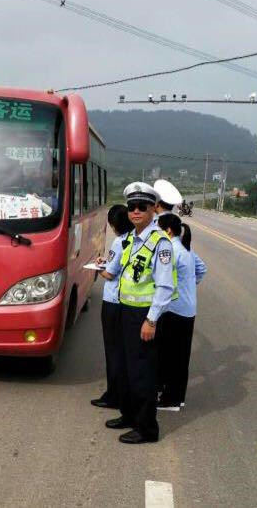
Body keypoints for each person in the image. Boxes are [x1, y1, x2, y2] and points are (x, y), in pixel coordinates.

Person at [104, 182, 177, 444]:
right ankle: (129, 414)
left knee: (142, 373)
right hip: (125, 310)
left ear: (153, 210)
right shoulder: (132, 239)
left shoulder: (161, 243)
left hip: (143, 315)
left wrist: (151, 320)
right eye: (131, 207)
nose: (135, 212)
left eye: (141, 207)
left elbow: (165, 286)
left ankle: (147, 428)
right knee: (124, 367)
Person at [156, 213, 207, 411]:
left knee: (171, 356)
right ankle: (177, 397)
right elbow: (202, 269)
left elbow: (161, 279)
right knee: (180, 355)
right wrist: (189, 287)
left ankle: (171, 400)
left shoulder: (170, 250)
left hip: (174, 310)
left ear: (168, 231)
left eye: (159, 229)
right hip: (188, 308)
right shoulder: (186, 248)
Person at [91, 205, 134, 409]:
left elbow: (110, 273)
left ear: (114, 224)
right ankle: (119, 393)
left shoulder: (119, 242)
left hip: (113, 301)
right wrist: (105, 262)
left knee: (113, 351)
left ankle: (114, 395)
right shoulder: (134, 239)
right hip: (125, 301)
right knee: (121, 351)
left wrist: (99, 267)